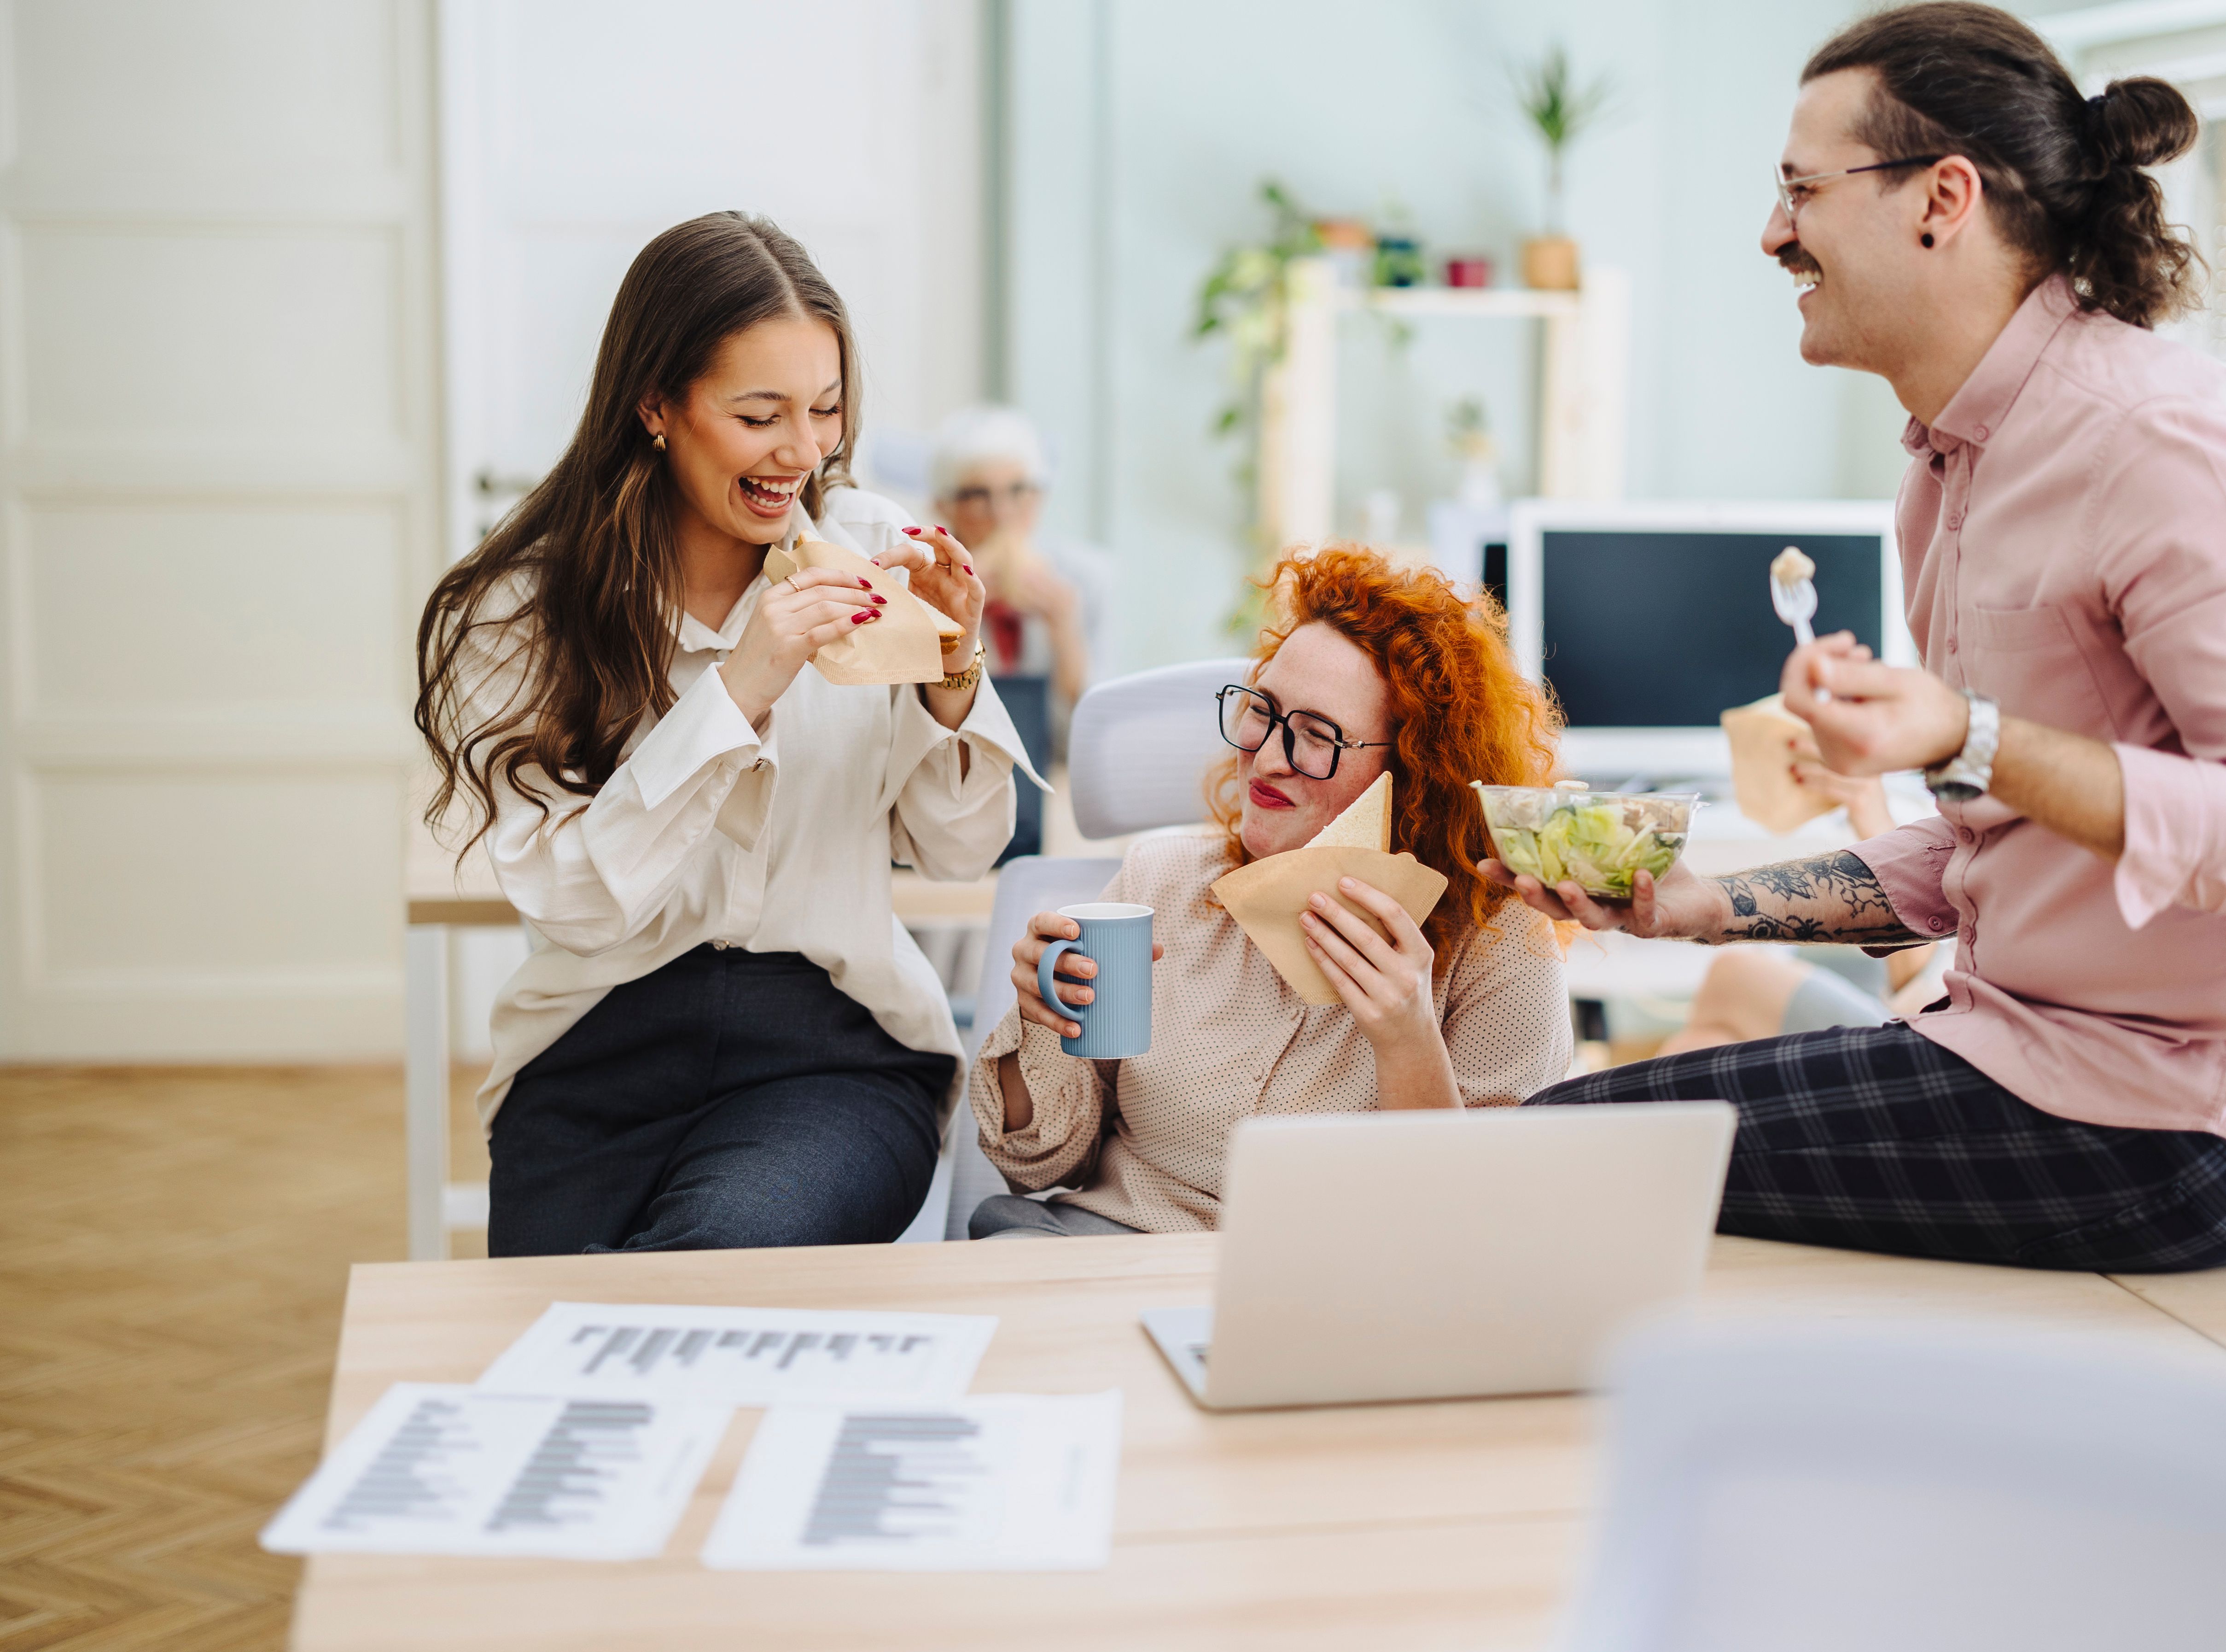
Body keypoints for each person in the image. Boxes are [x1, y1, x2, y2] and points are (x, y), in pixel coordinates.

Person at [1489, 2, 2226, 1274]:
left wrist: (1975, 735)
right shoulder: (1949, 472)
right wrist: (1700, 909)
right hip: (2017, 1046)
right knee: (1599, 1132)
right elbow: (1989, 854)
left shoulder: (2165, 451)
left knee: (1543, 1158)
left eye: (1801, 189)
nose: (1772, 232)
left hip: (2182, 1121)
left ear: (1941, 199)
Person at [415, 212, 1031, 1257]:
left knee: (708, 1266)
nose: (804, 451)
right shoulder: (522, 609)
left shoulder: (872, 553)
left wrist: (952, 666)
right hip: (592, 1051)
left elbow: (963, 849)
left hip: (834, 1051)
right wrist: (741, 686)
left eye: (827, 410)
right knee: (558, 1329)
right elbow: (575, 902)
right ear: (656, 404)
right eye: (760, 416)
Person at [968, 545, 1574, 1237]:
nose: (1267, 755)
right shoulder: (1158, 882)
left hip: (1335, 1291)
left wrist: (1407, 1039)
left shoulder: (1501, 940)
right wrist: (1041, 1022)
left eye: (1316, 736)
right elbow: (1039, 1165)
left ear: (1415, 773)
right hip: (1110, 1255)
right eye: (1263, 709)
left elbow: (1475, 1227)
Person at [1661, 754, 1946, 1055]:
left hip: (1940, 1045)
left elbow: (1921, 1000)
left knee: (1733, 974)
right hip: (1927, 1028)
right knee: (1701, 1044)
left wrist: (1870, 814)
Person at [929, 405, 1113, 714]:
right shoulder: (924, 585)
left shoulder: (1085, 578)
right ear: (945, 507)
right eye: (979, 495)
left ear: (1039, 497)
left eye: (1018, 491)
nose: (1002, 514)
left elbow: (1097, 727)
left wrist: (1066, 632)